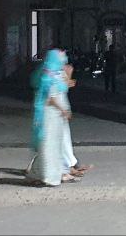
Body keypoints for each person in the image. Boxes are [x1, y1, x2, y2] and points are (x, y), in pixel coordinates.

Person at [25, 49, 76, 186]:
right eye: (60, 59)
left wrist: (69, 75)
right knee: (48, 146)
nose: (63, 61)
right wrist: (63, 110)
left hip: (56, 116)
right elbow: (49, 98)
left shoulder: (56, 74)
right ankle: (47, 176)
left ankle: (42, 174)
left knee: (54, 145)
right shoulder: (47, 75)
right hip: (49, 115)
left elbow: (63, 88)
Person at [60, 61, 92, 178]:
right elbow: (52, 95)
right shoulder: (52, 72)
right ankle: (68, 167)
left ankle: (71, 165)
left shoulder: (59, 71)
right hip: (56, 111)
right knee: (59, 140)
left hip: (61, 107)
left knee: (64, 139)